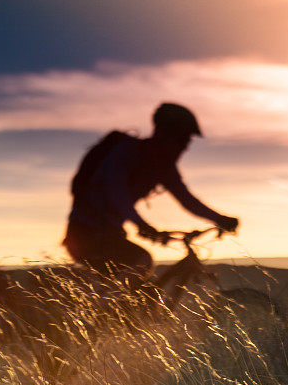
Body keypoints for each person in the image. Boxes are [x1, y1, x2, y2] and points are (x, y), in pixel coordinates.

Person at [63, 102, 239, 288]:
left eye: (187, 142)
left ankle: (116, 311)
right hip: (85, 232)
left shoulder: (164, 168)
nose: (184, 148)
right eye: (182, 140)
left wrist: (220, 219)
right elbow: (116, 192)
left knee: (142, 291)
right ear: (163, 134)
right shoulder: (127, 151)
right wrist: (141, 224)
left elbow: (187, 199)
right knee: (142, 262)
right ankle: (101, 314)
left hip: (111, 234)